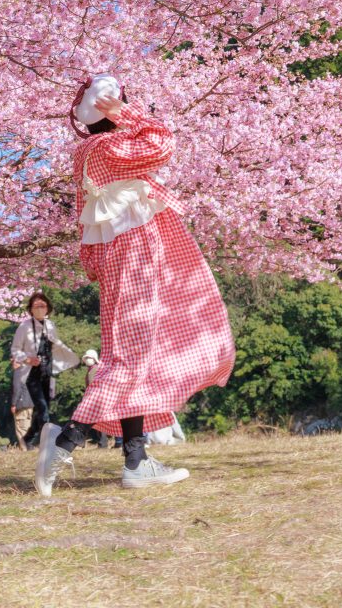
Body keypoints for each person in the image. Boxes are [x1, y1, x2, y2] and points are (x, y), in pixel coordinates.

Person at [36, 77, 235, 495]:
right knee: (129, 356)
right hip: (136, 254)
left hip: (115, 255)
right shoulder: (113, 148)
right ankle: (66, 439)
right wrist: (126, 113)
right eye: (121, 104)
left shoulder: (85, 154)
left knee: (131, 353)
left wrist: (92, 263)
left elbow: (83, 215)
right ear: (109, 111)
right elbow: (162, 142)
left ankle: (136, 459)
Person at [10, 292, 78, 448]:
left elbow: (55, 347)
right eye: (36, 306)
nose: (40, 309)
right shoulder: (24, 326)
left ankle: (28, 439)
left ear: (48, 308)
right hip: (30, 373)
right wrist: (28, 359)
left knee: (43, 409)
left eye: (43, 305)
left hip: (47, 371)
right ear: (30, 309)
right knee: (43, 409)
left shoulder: (51, 325)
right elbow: (15, 350)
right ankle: (47, 443)